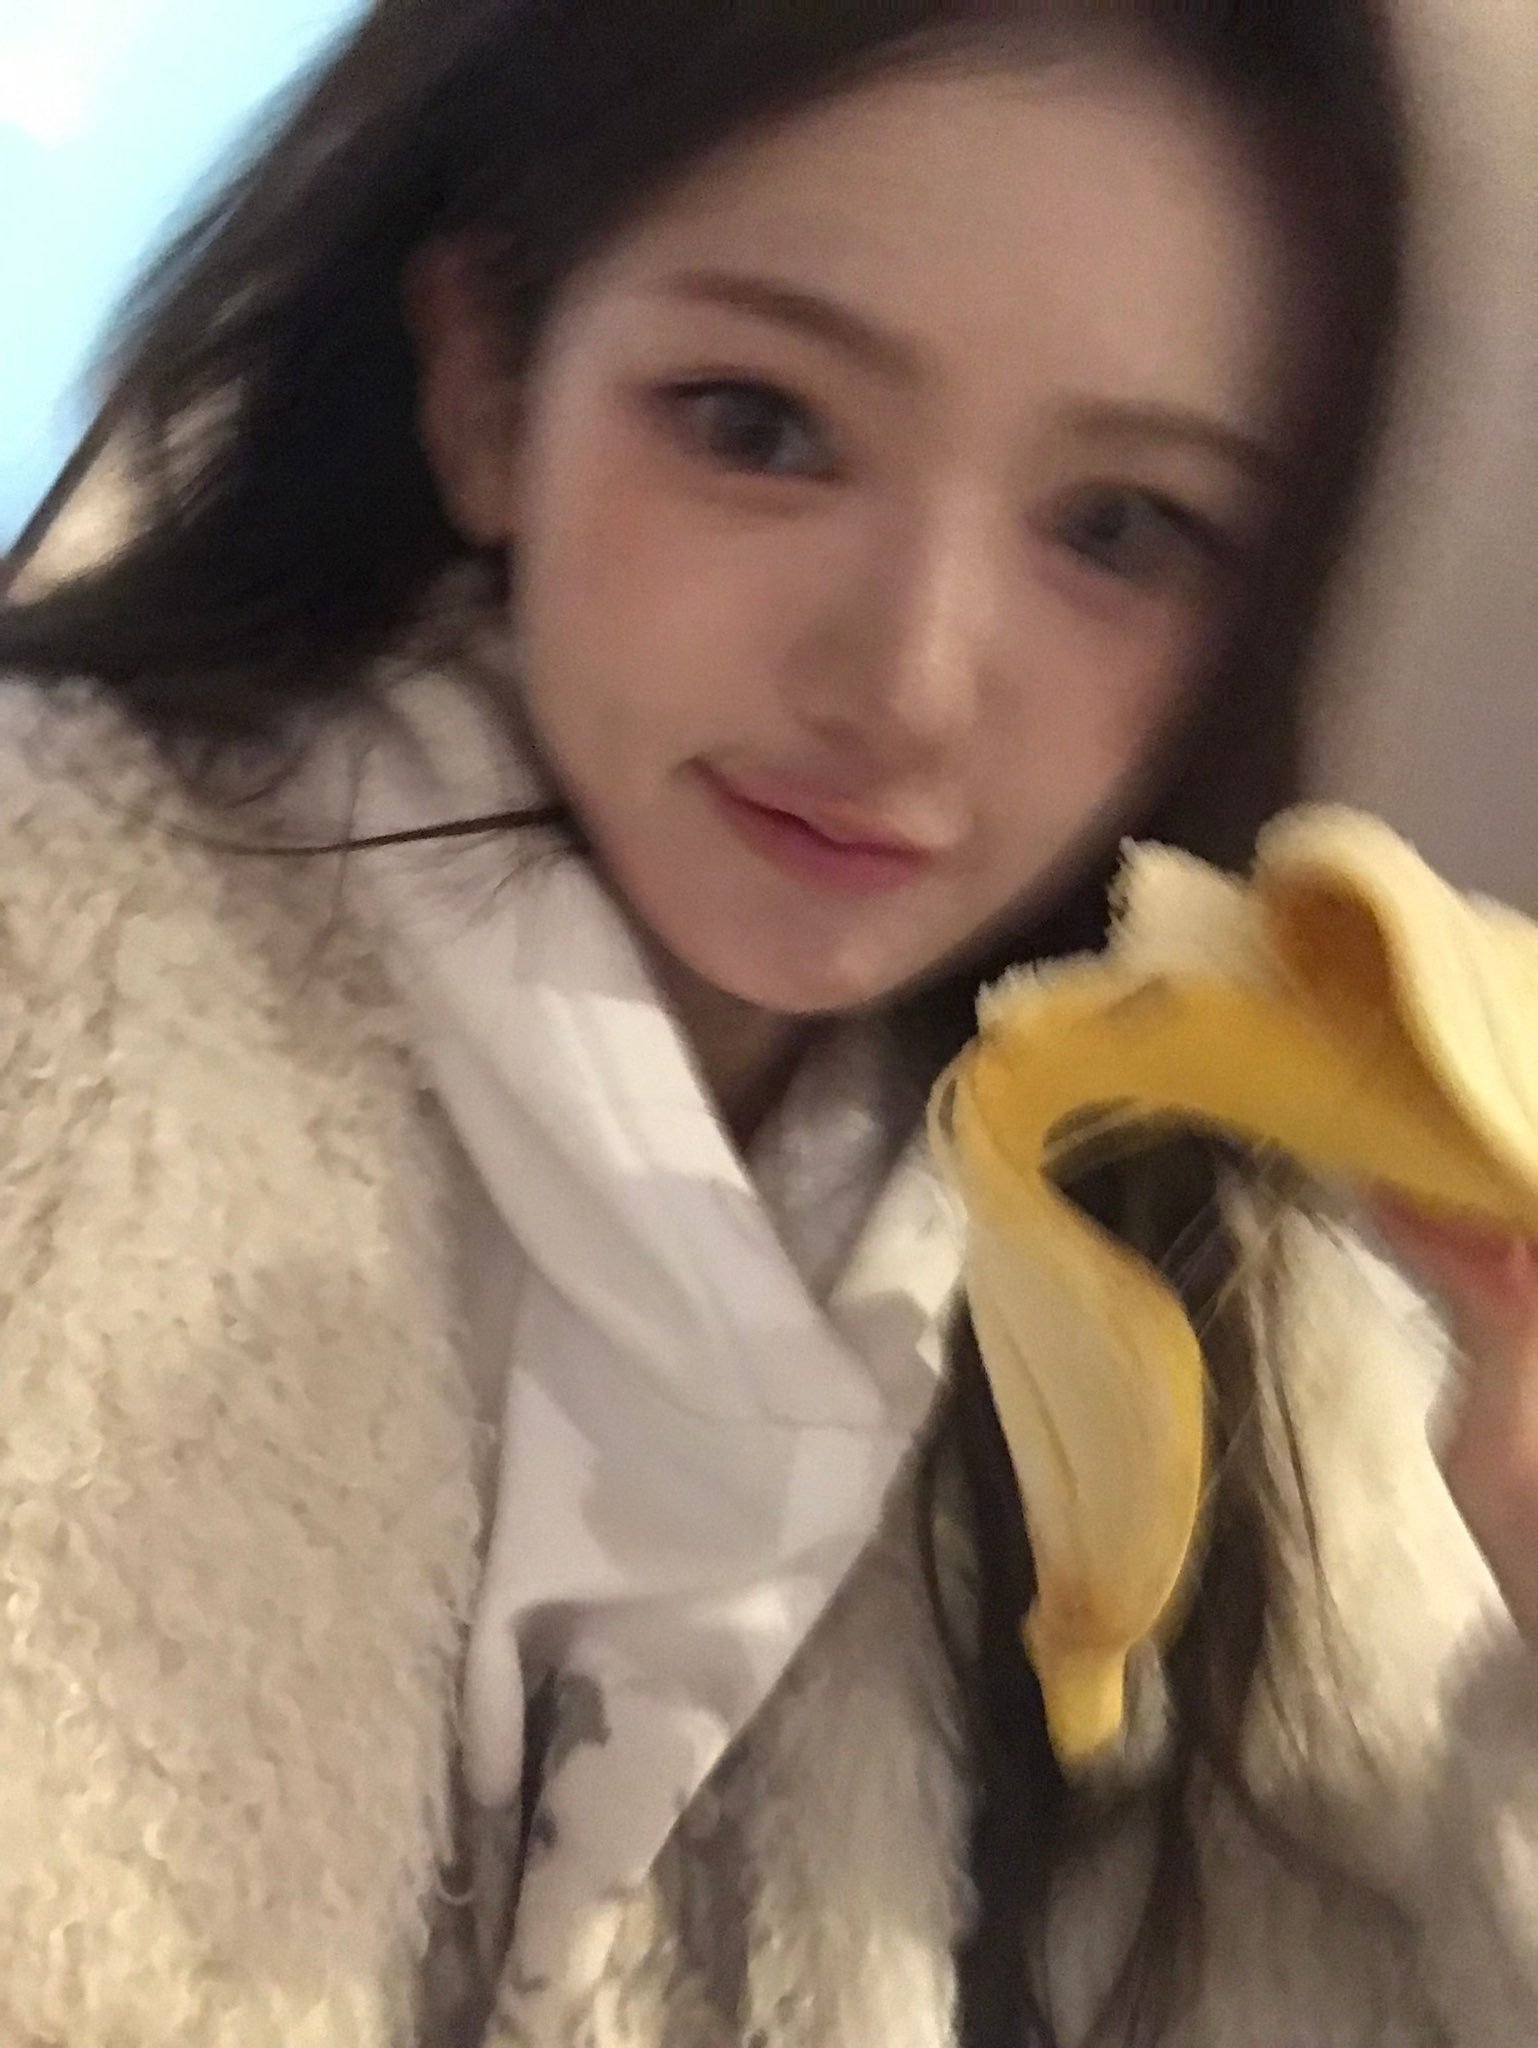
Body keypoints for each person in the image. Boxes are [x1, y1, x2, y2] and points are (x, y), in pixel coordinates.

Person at [0, 4, 1534, 2045]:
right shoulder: (43, 998)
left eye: (1119, 527)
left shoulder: (1247, 1340)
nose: (907, 681)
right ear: (485, 386)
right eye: (758, 424)